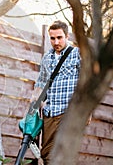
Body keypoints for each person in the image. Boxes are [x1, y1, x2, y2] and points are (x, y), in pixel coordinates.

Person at [32, 20, 81, 164]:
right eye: (52, 38)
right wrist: (34, 103)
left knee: (63, 153)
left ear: (67, 36)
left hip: (68, 112)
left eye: (59, 37)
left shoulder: (77, 54)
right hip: (49, 112)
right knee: (46, 154)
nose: (56, 41)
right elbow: (41, 82)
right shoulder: (47, 57)